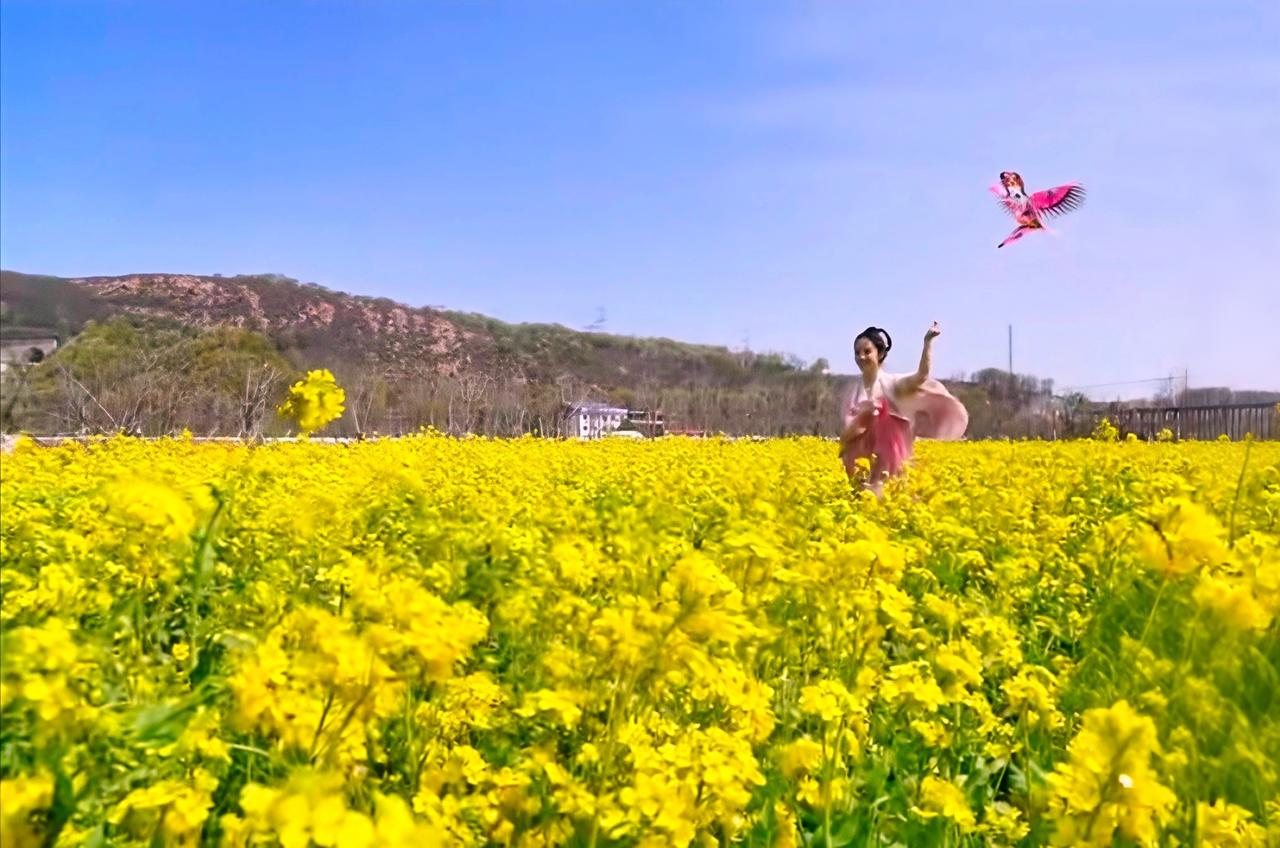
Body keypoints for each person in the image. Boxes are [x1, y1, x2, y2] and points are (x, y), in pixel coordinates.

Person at [838, 322, 968, 493]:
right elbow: (849, 433)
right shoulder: (855, 392)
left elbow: (921, 376)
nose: (861, 357)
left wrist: (927, 342)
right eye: (857, 353)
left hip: (890, 474)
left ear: (880, 354)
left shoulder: (892, 384)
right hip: (861, 472)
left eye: (867, 352)